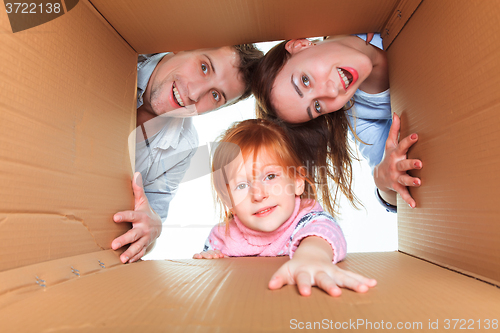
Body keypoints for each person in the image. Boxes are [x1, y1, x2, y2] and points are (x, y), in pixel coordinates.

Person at [111, 45, 264, 264]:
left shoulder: (183, 145)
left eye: (215, 95)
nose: (193, 94)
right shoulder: (118, 53)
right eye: (204, 67)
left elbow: (152, 222)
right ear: (183, 44)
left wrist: (151, 229)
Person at [193, 119, 377, 297]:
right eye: (242, 186)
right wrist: (210, 258)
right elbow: (215, 277)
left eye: (271, 176)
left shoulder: (306, 218)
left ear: (297, 181)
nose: (259, 195)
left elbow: (324, 232)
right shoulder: (222, 236)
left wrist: (312, 256)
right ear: (229, 203)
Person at [252, 34, 422, 217]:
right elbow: (395, 188)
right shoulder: (362, 118)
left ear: (300, 45)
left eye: (305, 80)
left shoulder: (358, 16)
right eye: (317, 106)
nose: (332, 91)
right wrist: (383, 183)